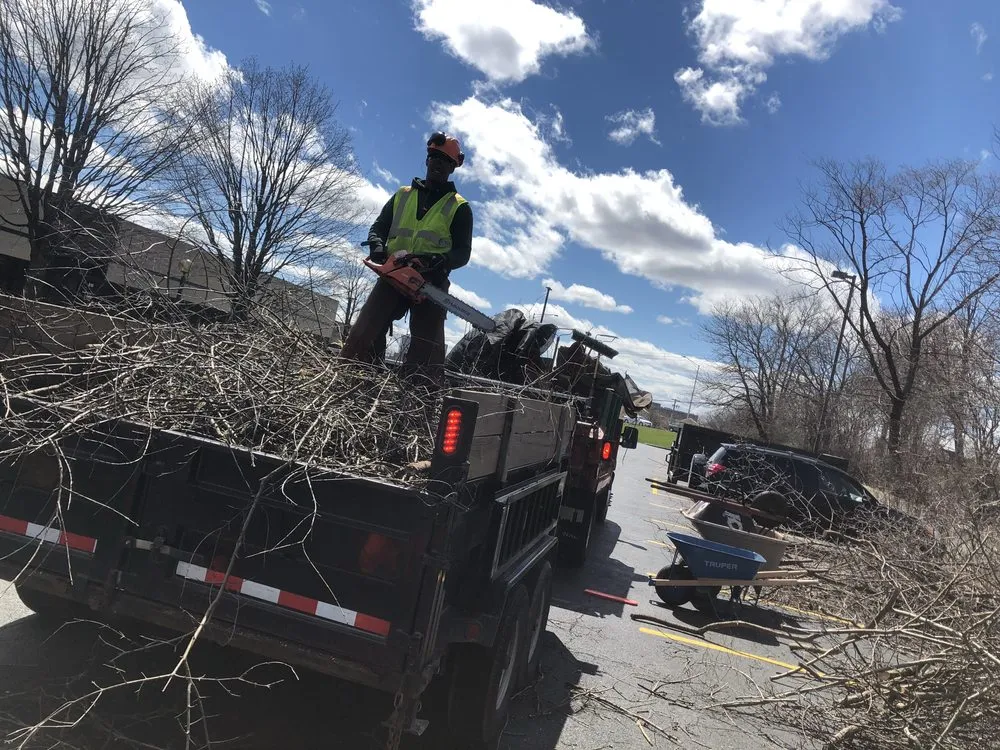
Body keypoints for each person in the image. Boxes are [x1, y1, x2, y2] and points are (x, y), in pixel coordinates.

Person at [340, 132, 473, 381]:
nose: (438, 163)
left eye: (445, 161)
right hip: (394, 272)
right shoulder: (403, 195)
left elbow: (462, 252)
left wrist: (439, 261)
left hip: (431, 280)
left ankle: (418, 400)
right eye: (434, 157)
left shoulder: (459, 207)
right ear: (426, 160)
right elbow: (378, 227)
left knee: (427, 349)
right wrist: (378, 246)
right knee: (365, 331)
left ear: (452, 167)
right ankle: (355, 380)